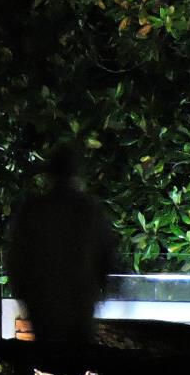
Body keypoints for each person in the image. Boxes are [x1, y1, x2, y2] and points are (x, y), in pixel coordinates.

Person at [7, 143, 118, 344]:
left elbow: (17, 259)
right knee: (77, 356)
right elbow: (106, 256)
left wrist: (24, 293)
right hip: (79, 297)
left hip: (43, 299)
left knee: (50, 355)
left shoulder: (34, 210)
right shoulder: (88, 210)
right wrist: (100, 289)